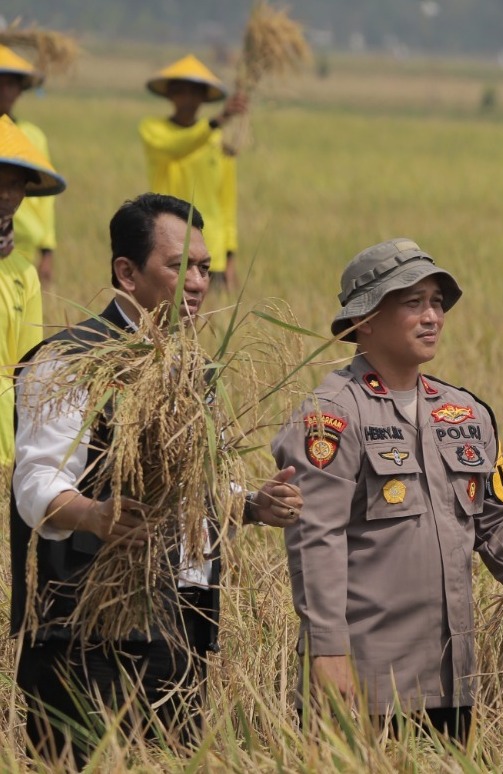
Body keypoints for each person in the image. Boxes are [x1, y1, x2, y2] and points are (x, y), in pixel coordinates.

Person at [10, 193, 303, 767]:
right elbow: (36, 483)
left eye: (203, 269)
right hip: (85, 634)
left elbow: (192, 490)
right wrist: (93, 515)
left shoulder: (191, 370)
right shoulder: (71, 361)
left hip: (180, 628)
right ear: (127, 271)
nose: (197, 284)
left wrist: (250, 505)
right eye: (179, 267)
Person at [273, 238, 503, 744]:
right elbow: (316, 540)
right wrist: (327, 653)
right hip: (367, 680)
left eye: (437, 302)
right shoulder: (331, 414)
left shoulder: (466, 413)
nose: (432, 317)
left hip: (454, 679)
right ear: (365, 321)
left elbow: (500, 517)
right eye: (412, 302)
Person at [140, 54, 245, 289]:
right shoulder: (153, 130)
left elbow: (227, 200)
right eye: (180, 90)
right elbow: (178, 146)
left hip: (211, 248)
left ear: (204, 96)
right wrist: (219, 120)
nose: (187, 98)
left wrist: (230, 256)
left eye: (195, 91)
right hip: (167, 243)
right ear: (169, 94)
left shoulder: (218, 140)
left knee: (210, 320)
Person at [0, 114, 64, 468]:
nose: (7, 196)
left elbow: (27, 371)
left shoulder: (23, 271)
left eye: (16, 184)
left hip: (5, 441)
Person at [0, 44, 58, 283]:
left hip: (26, 240)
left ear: (20, 90)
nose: (3, 90)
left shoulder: (33, 136)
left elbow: (46, 204)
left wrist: (47, 250)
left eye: (10, 84)